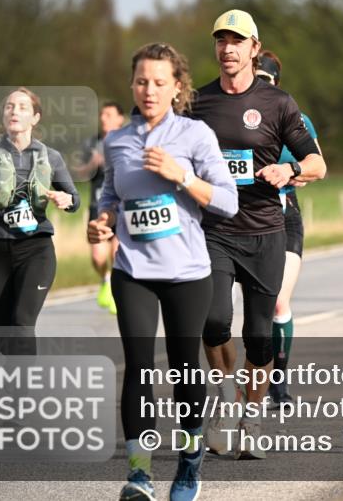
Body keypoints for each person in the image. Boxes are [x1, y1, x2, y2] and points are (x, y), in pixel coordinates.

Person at [88, 43, 238, 500]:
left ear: (177, 87)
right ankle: (138, 475)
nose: (148, 90)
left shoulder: (195, 136)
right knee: (136, 368)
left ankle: (189, 468)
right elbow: (111, 196)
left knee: (183, 369)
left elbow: (228, 202)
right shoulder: (116, 141)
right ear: (132, 84)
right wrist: (104, 221)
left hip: (188, 273)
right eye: (140, 81)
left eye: (158, 82)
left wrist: (182, 176)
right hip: (132, 269)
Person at [193, 9, 326, 458]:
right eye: (220, 41)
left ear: (254, 48)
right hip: (214, 230)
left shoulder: (279, 104)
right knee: (212, 321)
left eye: (236, 41)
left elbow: (317, 164)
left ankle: (252, 416)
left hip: (266, 231)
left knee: (260, 335)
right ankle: (224, 396)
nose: (227, 48)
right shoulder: (197, 103)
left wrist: (289, 168)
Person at [0, 87, 80, 355]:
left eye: (22, 107)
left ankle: (23, 391)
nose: (14, 111)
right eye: (9, 106)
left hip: (36, 249)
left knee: (21, 324)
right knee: (4, 334)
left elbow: (74, 199)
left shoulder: (50, 157)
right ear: (3, 115)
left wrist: (66, 201)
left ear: (35, 118)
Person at [257, 51, 323, 407]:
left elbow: (317, 163)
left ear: (277, 84)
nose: (258, 85)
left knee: (279, 300)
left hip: (285, 213)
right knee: (254, 306)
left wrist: (293, 172)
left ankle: (277, 386)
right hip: (244, 217)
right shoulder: (232, 117)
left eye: (265, 80)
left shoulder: (295, 117)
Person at [80, 101, 127, 315]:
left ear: (119, 118)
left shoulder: (128, 140)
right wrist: (93, 163)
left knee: (118, 252)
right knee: (98, 257)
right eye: (102, 115)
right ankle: (105, 279)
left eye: (108, 115)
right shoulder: (92, 143)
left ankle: (118, 292)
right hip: (97, 205)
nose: (103, 119)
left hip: (122, 207)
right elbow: (80, 173)